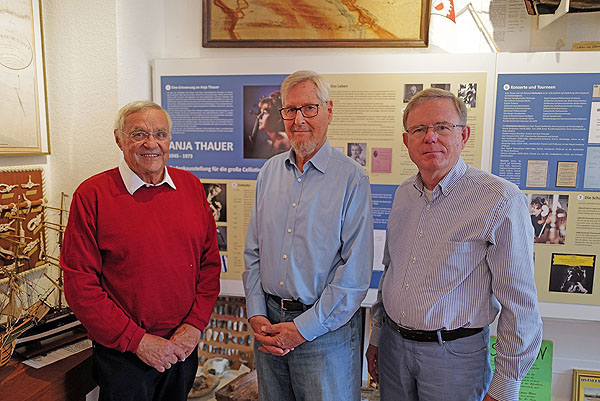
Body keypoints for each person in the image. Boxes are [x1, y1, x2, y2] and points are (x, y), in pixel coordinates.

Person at [366, 88, 542, 401]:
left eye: (442, 127)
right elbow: (391, 270)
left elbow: (520, 304)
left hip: (454, 359)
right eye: (419, 129)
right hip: (394, 350)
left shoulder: (499, 200)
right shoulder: (403, 194)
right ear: (407, 141)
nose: (430, 137)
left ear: (464, 135)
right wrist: (378, 337)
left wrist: (504, 388)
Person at [61, 100, 221, 401]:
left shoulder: (191, 187)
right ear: (119, 139)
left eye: (160, 134)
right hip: (124, 356)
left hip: (182, 346)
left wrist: (194, 325)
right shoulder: (92, 195)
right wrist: (138, 342)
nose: (151, 143)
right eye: (138, 134)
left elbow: (209, 265)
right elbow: (80, 284)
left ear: (170, 139)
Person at [243, 70, 373, 401]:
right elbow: (254, 252)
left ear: (329, 110)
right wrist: (257, 311)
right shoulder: (269, 173)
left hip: (324, 333)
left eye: (310, 108)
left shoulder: (351, 178)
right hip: (269, 326)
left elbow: (354, 275)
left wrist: (301, 330)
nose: (299, 119)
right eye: (291, 110)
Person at [248, 90, 291, 159]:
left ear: (278, 118)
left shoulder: (284, 142)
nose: (259, 116)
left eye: (265, 113)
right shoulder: (270, 143)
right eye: (260, 112)